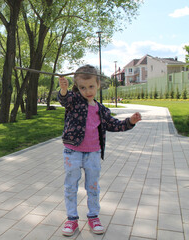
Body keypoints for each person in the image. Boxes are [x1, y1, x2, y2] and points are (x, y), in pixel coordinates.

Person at [57, 65, 142, 237]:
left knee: (93, 187)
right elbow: (64, 100)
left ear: (98, 84)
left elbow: (114, 125)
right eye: (82, 87)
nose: (87, 91)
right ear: (76, 87)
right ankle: (72, 218)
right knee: (70, 186)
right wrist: (63, 90)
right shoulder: (73, 100)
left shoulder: (101, 109)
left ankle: (93, 216)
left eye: (91, 87)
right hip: (72, 152)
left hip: (93, 153)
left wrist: (130, 121)